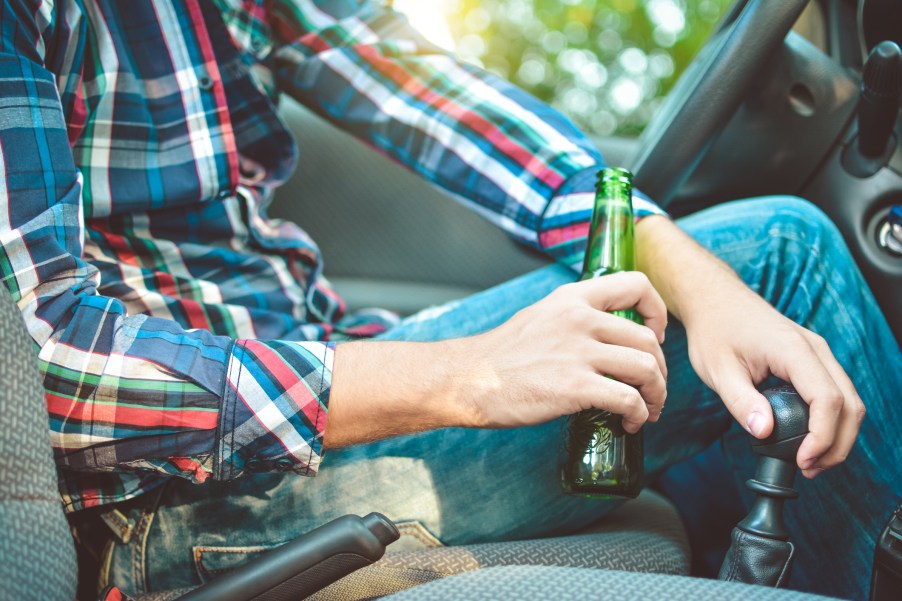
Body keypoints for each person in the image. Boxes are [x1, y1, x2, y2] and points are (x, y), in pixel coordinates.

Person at [0, 1, 897, 599]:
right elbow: (48, 374)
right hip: (165, 499)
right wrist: (463, 373)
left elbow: (454, 110)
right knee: (789, 253)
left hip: (308, 363)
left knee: (730, 301)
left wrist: (706, 289)